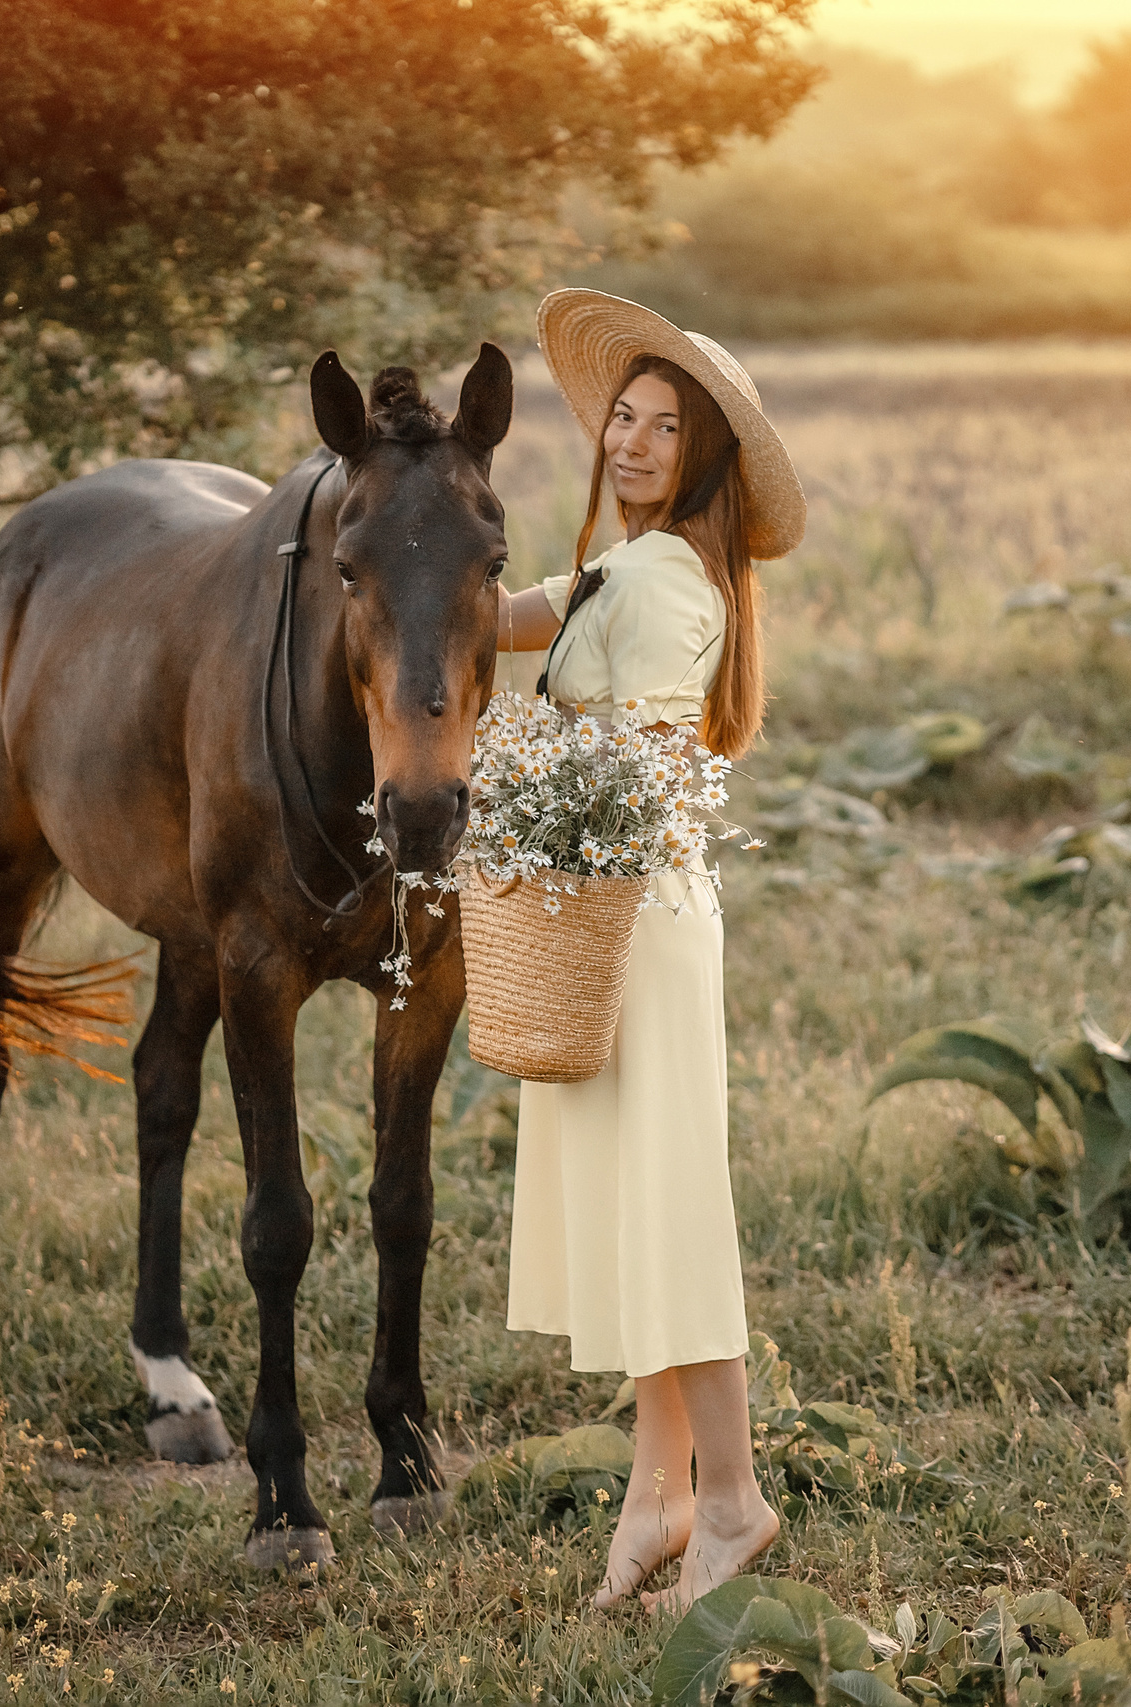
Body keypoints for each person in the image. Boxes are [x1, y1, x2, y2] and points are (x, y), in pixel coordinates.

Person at [490, 288, 808, 1614]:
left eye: (661, 428)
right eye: (621, 415)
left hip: (641, 927)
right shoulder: (626, 568)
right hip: (611, 916)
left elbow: (662, 761)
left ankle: (732, 1501)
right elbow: (513, 618)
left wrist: (534, 790)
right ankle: (658, 1498)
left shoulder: (672, 582)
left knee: (669, 1218)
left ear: (701, 461)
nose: (627, 440)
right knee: (634, 1213)